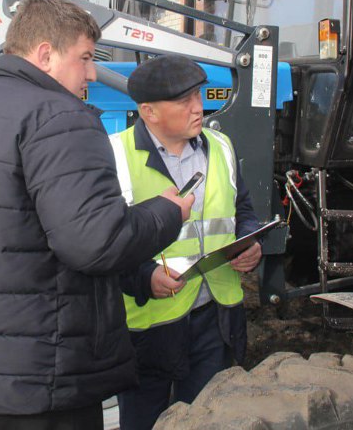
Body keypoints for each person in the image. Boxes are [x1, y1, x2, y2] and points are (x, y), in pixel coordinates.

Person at [0, 0, 193, 429]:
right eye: (86, 58)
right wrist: (166, 213)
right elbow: (94, 243)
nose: (92, 73)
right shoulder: (59, 117)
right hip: (31, 383)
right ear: (45, 55)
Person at [110, 55, 263, 430]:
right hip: (150, 329)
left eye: (198, 95)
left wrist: (249, 242)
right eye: (184, 101)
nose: (199, 107)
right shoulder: (114, 156)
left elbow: (242, 209)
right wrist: (144, 278)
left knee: (207, 420)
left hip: (216, 318)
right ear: (149, 112)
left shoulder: (221, 146)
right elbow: (104, 244)